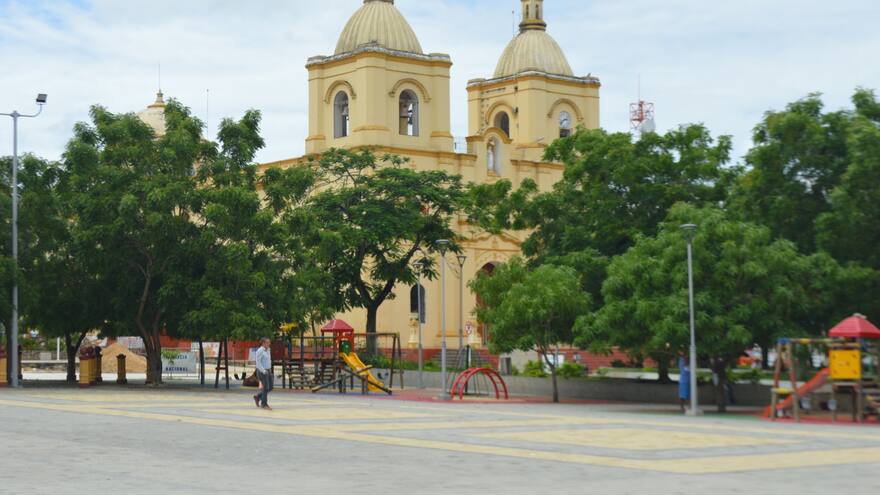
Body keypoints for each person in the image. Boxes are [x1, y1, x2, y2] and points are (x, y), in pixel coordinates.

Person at [253, 338, 273, 410]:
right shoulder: (260, 351)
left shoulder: (268, 350)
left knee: (270, 387)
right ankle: (264, 404)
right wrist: (264, 371)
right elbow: (258, 363)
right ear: (263, 343)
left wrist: (269, 370)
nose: (269, 344)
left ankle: (258, 397)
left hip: (268, 370)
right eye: (267, 342)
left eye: (269, 342)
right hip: (262, 371)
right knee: (265, 388)